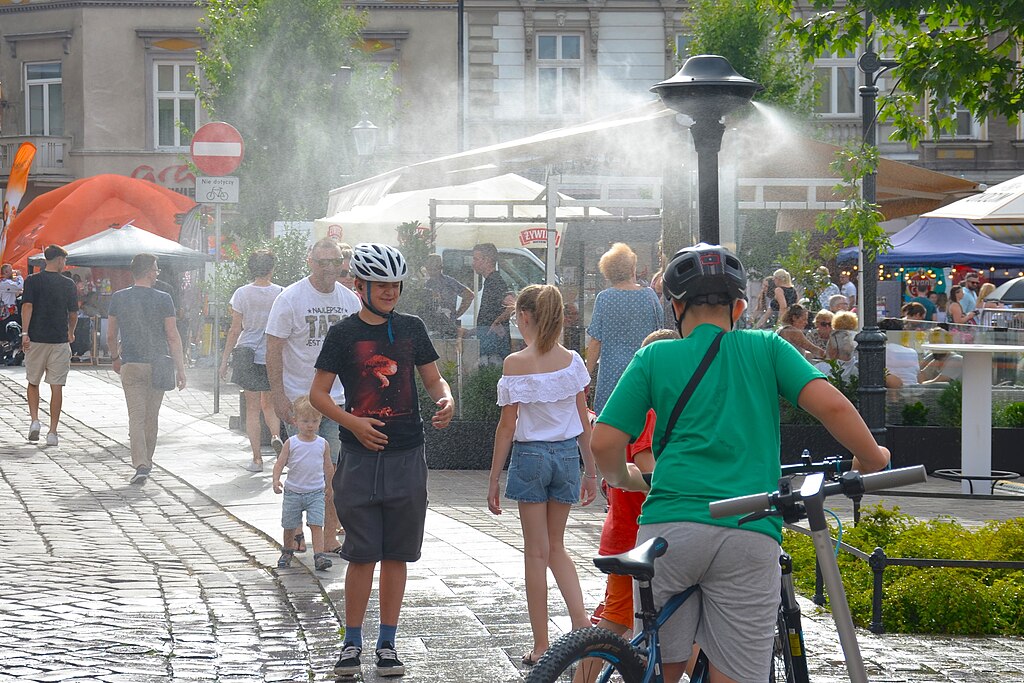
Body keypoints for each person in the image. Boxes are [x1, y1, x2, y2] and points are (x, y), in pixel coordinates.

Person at [591, 243, 889, 683]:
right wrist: (871, 457)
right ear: (740, 305)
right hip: (748, 530)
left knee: (661, 669)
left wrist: (623, 477)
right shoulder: (767, 348)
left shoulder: (654, 357)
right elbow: (835, 409)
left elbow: (604, 442)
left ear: (674, 306)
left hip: (669, 531)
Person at [310, 243, 453, 679]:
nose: (391, 291)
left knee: (397, 554)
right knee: (361, 553)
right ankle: (350, 642)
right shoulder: (343, 334)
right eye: (381, 284)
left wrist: (445, 398)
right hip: (359, 458)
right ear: (360, 286)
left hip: (408, 453)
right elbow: (317, 394)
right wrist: (352, 423)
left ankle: (387, 643)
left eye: (395, 284)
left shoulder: (412, 328)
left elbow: (433, 378)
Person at [487, 284, 598, 667]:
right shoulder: (572, 361)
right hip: (568, 457)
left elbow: (507, 426)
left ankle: (541, 644)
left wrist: (493, 478)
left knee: (535, 553)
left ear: (525, 317)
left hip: (531, 457)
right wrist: (591, 471)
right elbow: (583, 420)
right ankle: (581, 623)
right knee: (557, 547)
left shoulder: (515, 363)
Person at [586, 327, 679, 671]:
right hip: (634, 537)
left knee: (634, 623)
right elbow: (648, 469)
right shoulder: (652, 413)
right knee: (614, 624)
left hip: (627, 535)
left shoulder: (639, 408)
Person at [266, 238, 361, 555]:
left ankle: (330, 533)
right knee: (301, 468)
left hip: (337, 400)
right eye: (323, 263)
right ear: (310, 262)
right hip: (300, 400)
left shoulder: (350, 301)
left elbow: (360, 352)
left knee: (332, 470)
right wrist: (278, 396)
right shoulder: (290, 298)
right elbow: (274, 349)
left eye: (336, 263)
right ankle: (294, 534)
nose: (330, 269)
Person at [106, 253, 187, 484]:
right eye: (157, 269)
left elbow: (111, 334)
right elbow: (172, 336)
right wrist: (180, 368)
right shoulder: (163, 298)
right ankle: (147, 462)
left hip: (131, 364)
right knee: (152, 417)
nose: (158, 272)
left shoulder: (119, 298)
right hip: (158, 364)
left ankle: (140, 463)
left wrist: (114, 357)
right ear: (150, 271)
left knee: (136, 417)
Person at [220, 250, 284, 472]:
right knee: (271, 405)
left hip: (247, 352)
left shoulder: (242, 293)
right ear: (272, 268)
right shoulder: (281, 293)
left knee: (252, 408)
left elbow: (235, 328)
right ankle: (276, 436)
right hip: (272, 355)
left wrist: (225, 359)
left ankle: (257, 459)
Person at [586, 243, 664, 413]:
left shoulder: (604, 298)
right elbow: (661, 333)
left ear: (608, 272)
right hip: (643, 370)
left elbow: (595, 342)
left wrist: (586, 375)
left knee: (610, 420)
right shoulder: (650, 296)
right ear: (632, 270)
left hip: (611, 374)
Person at [21, 245, 78, 446]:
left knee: (33, 382)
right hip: (59, 340)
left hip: (36, 338)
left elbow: (27, 306)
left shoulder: (32, 281)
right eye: (63, 260)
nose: (64, 263)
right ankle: (53, 432)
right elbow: (73, 313)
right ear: (59, 260)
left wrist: (25, 333)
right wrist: (71, 331)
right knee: (57, 386)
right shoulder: (68, 284)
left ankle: (35, 420)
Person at [272, 395, 334, 572]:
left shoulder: (323, 444)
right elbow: (280, 463)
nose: (310, 425)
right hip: (293, 492)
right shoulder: (292, 443)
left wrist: (330, 485)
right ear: (296, 421)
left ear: (320, 421)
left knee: (316, 524)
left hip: (316, 492)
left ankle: (319, 555)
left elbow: (328, 466)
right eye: (305, 421)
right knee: (290, 524)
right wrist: (276, 480)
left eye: (314, 421)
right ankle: (287, 550)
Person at [472, 242, 514, 365]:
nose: (473, 263)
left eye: (476, 259)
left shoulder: (495, 281)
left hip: (495, 346)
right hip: (489, 342)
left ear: (487, 260)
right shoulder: (490, 281)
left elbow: (512, 306)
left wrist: (497, 322)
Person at [420, 253, 474, 338]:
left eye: (435, 268)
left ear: (440, 268)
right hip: (428, 325)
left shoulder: (449, 282)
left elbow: (469, 295)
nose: (432, 271)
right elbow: (469, 295)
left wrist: (456, 314)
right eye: (430, 268)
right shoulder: (423, 283)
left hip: (446, 327)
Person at [878, 318, 920, 388]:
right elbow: (916, 373)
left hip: (889, 393)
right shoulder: (912, 352)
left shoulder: (880, 351)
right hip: (912, 391)